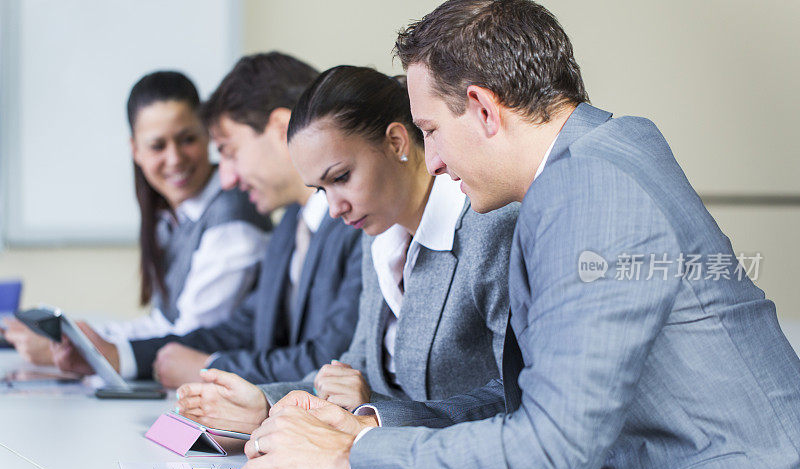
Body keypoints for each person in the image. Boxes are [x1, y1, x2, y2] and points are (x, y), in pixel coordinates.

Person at [235, 2, 800, 469]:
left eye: (429, 130)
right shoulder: (595, 158)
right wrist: (375, 426)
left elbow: (548, 457)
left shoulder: (589, 190)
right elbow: (528, 398)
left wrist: (352, 456)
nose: (431, 161)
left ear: (483, 108)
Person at [174, 66, 517, 433]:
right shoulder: (379, 238)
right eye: (321, 190)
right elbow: (349, 379)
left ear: (397, 142)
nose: (335, 208)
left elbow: (514, 396)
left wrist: (373, 417)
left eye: (340, 178)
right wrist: (266, 402)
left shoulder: (490, 228)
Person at [53, 53, 363, 390]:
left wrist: (211, 367)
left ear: (278, 130)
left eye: (230, 152)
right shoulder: (291, 223)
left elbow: (333, 359)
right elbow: (242, 328)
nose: (226, 178)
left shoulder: (357, 224)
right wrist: (122, 356)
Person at [3, 71, 270, 371]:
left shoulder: (232, 215)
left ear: (208, 134)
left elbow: (189, 335)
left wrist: (87, 349)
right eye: (158, 146)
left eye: (188, 139)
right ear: (135, 150)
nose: (175, 159)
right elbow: (162, 322)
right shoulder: (171, 214)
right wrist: (81, 338)